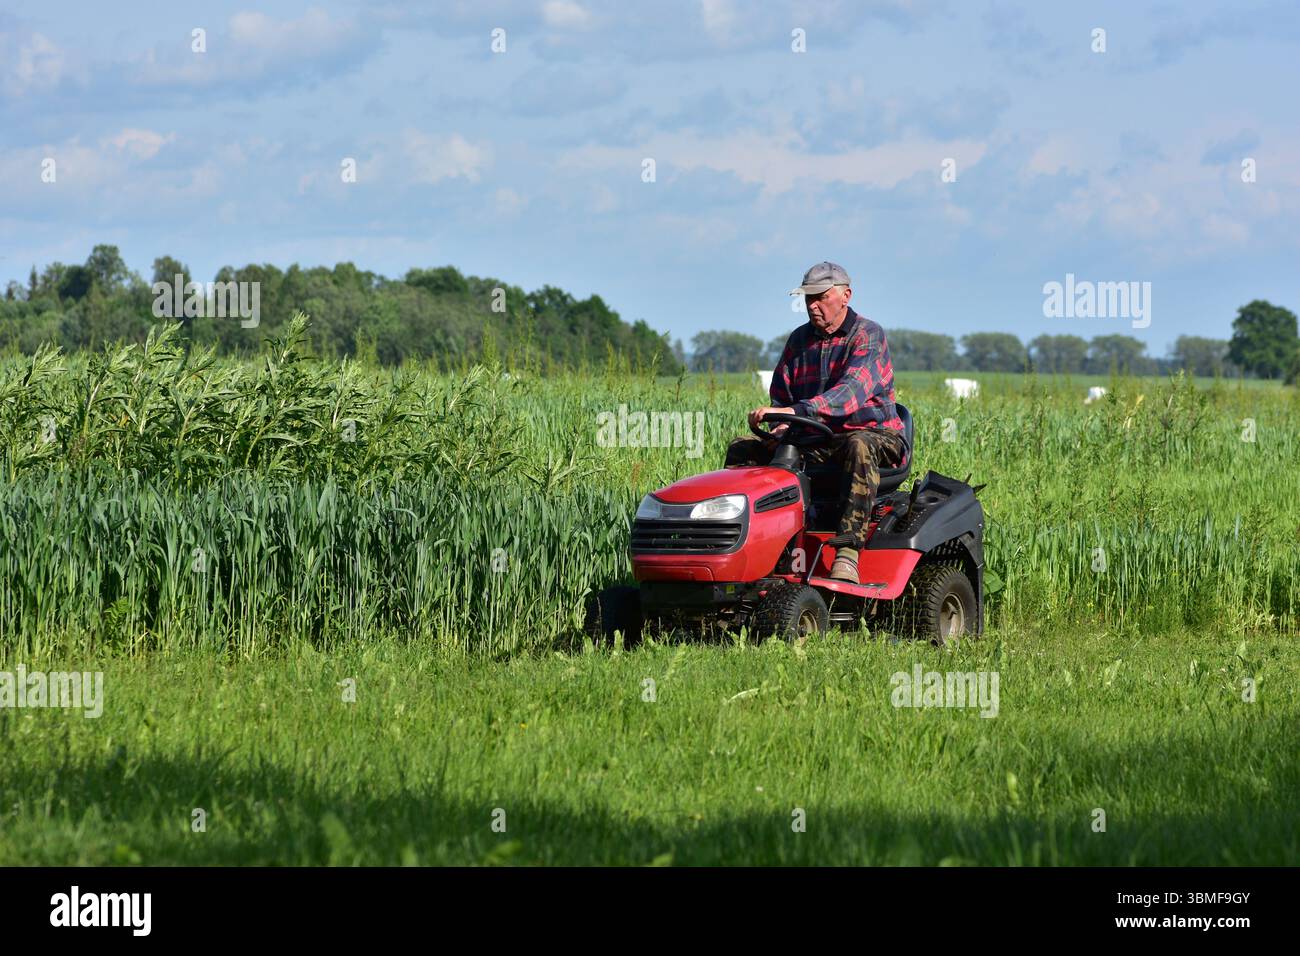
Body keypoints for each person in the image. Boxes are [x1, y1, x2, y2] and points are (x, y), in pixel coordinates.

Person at [724, 261, 906, 584]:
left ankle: (848, 553)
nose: (812, 305)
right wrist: (778, 422)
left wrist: (800, 412)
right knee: (744, 451)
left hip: (874, 436)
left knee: (858, 444)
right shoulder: (798, 342)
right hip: (816, 439)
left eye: (821, 297)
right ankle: (746, 546)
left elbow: (850, 394)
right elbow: (782, 395)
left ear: (845, 295)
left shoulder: (868, 336)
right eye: (808, 298)